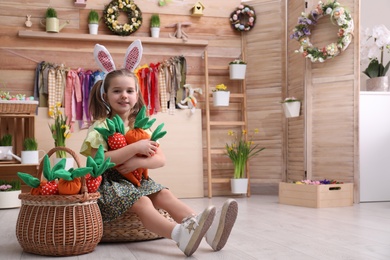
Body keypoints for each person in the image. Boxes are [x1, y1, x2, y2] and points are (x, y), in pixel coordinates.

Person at [80, 41, 238, 257]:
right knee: (143, 201)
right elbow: (97, 161)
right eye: (117, 91)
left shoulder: (140, 126)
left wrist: (140, 161)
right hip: (108, 184)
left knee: (164, 194)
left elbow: (160, 159)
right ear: (105, 96)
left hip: (138, 180)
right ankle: (179, 234)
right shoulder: (101, 126)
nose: (124, 95)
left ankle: (207, 230)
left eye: (129, 90)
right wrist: (135, 148)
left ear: (136, 96)